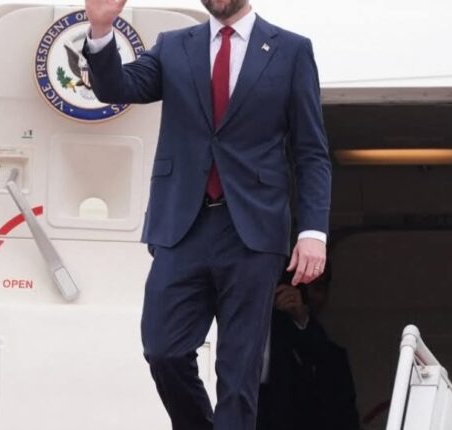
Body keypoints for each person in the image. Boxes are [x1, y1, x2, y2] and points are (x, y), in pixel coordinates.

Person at [82, 0, 331, 428]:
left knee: (238, 372)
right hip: (183, 225)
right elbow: (116, 87)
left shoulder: (291, 50)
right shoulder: (174, 46)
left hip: (252, 232)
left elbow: (311, 151)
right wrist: (101, 29)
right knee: (163, 351)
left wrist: (313, 231)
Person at [257, 264, 360, 430]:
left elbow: (341, 415)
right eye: (301, 286)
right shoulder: (260, 340)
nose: (307, 296)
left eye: (318, 287)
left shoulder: (332, 357)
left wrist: (302, 320)